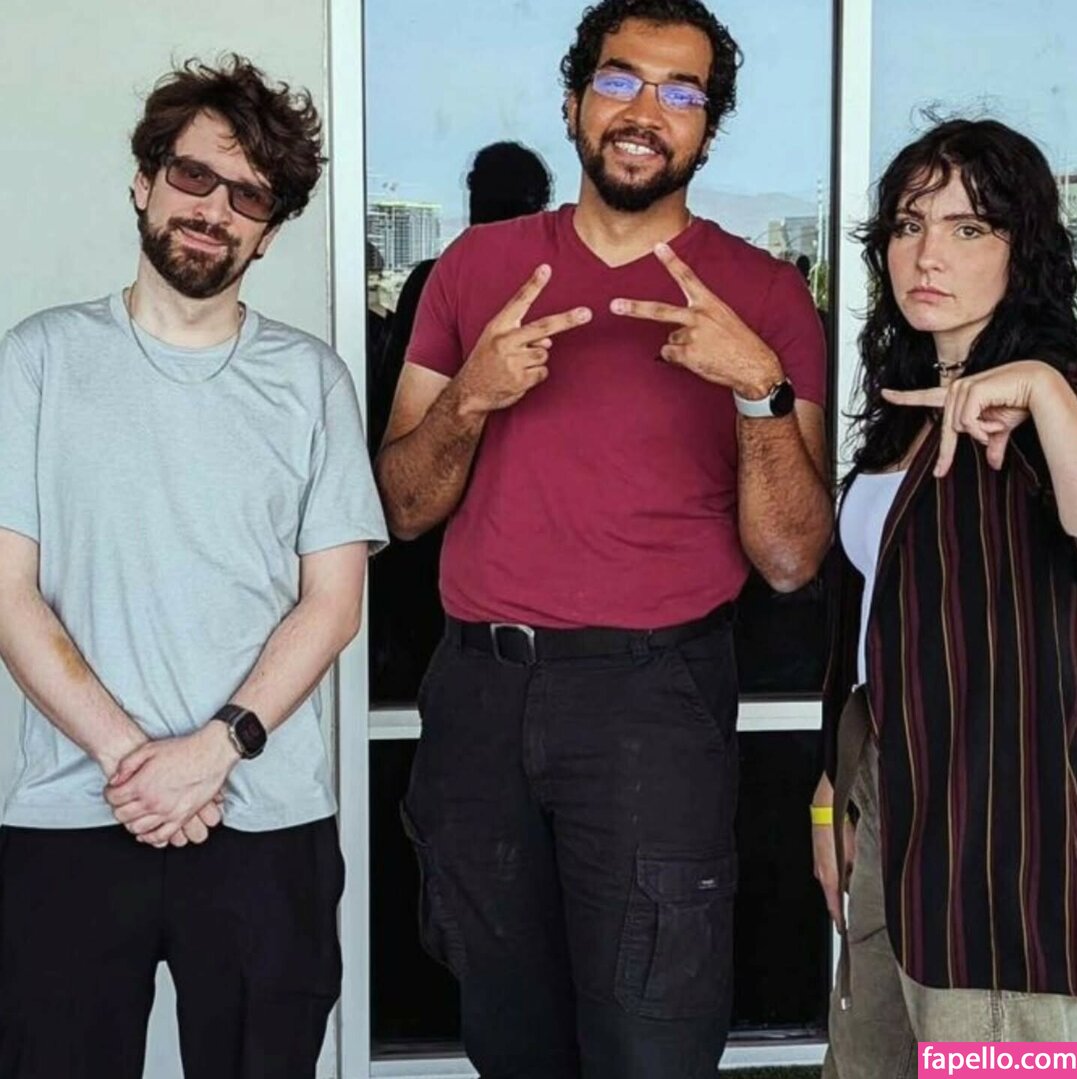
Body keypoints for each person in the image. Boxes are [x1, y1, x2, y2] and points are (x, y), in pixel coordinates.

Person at [375, 0, 831, 1074]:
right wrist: (472, 396)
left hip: (653, 700)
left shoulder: (765, 295)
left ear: (708, 128)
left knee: (652, 1035)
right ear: (575, 101)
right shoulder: (475, 267)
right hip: (481, 695)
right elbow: (399, 507)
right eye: (621, 80)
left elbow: (791, 558)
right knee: (508, 1034)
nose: (645, 111)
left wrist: (757, 388)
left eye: (681, 93)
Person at [0, 56, 387, 1079]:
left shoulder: (312, 380)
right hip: (74, 814)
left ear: (270, 230)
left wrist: (215, 750)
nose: (214, 208)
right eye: (193, 175)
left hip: (264, 818)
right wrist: (141, 764)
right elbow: (6, 592)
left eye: (249, 195)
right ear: (144, 181)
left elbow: (333, 603)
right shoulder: (36, 359)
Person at [811, 118, 1077, 1077]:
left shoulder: (1058, 400)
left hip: (1005, 859)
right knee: (868, 1062)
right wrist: (834, 793)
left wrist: (1045, 391)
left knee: (985, 1060)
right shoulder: (903, 413)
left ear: (1024, 249)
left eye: (969, 228)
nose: (928, 254)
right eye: (908, 223)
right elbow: (872, 619)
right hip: (892, 805)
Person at [369, 141, 553, 702]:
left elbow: (387, 389)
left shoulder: (444, 276)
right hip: (455, 511)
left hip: (468, 525)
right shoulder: (448, 277)